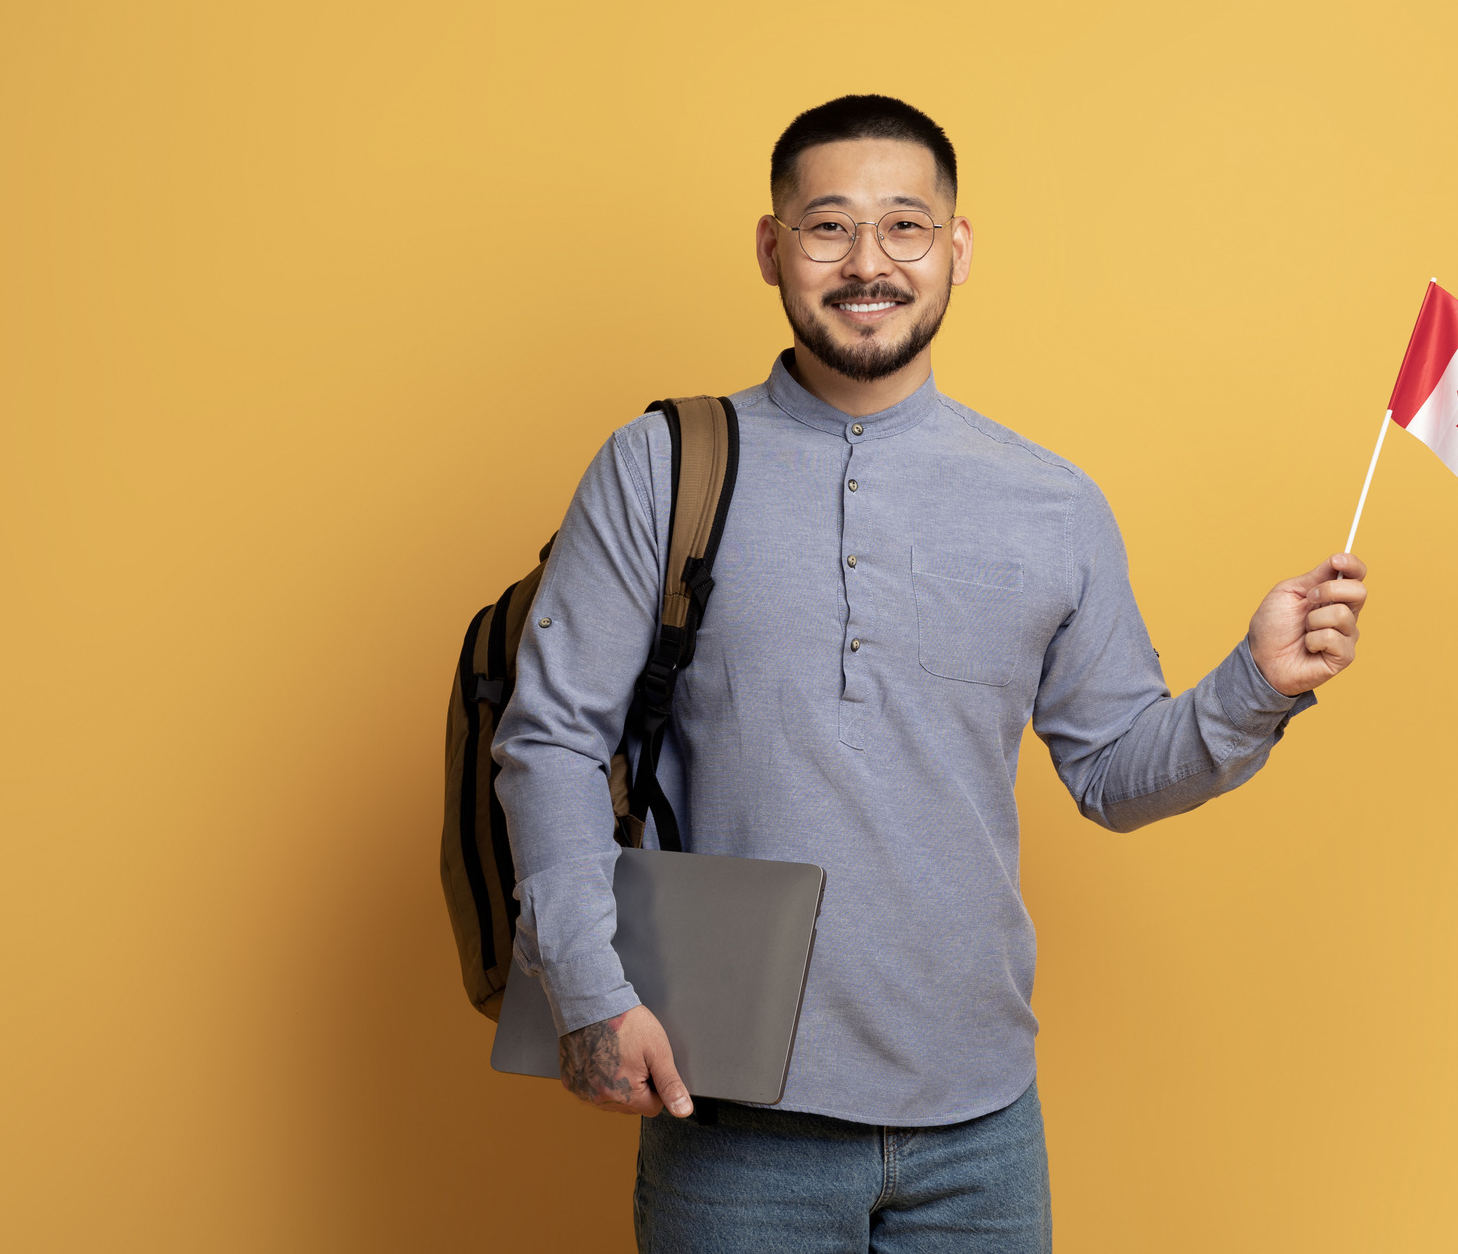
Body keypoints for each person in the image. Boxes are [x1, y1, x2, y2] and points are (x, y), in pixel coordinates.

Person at [492, 94, 1369, 1252]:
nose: (869, 263)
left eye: (906, 226)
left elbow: (1112, 772)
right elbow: (549, 738)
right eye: (828, 228)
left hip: (983, 1130)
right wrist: (593, 993)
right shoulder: (661, 465)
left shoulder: (1051, 502)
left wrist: (1255, 680)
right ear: (771, 248)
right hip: (734, 1117)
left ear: (957, 249)